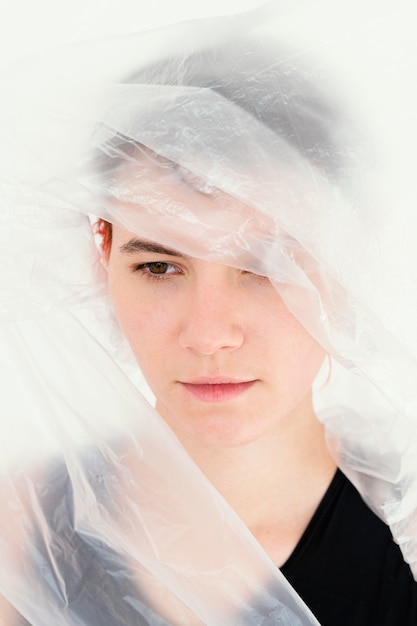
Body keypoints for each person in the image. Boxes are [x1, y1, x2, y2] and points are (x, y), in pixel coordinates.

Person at [1, 3, 417, 625]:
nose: (208, 334)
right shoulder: (20, 527)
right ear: (103, 259)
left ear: (344, 265)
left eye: (267, 270)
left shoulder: (405, 538)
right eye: (160, 267)